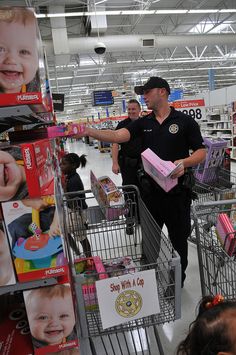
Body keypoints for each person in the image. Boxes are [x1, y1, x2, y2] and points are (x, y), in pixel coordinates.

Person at [74, 76, 206, 287]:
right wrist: (89, 131)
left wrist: (185, 162)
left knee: (179, 242)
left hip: (177, 195)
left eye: (147, 91)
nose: (143, 96)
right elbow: (117, 136)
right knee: (150, 242)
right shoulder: (143, 123)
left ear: (161, 92)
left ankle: (176, 283)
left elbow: (201, 151)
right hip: (150, 194)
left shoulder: (184, 122)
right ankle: (149, 280)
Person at [112, 99, 142, 234]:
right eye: (129, 109)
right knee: (129, 193)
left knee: (144, 192)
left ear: (139, 110)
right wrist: (115, 162)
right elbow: (115, 144)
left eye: (133, 109)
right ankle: (129, 220)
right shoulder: (122, 124)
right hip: (127, 165)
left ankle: (142, 219)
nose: (130, 111)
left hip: (143, 166)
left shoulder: (145, 123)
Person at [0, 6, 40, 94]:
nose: (11, 60)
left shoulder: (35, 93)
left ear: (37, 63)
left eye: (23, 52)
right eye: (0, 49)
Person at [60, 153, 91, 257]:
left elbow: (72, 203)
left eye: (64, 164)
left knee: (82, 238)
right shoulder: (72, 176)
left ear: (73, 166)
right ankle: (79, 253)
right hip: (75, 211)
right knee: (65, 231)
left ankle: (89, 258)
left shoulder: (73, 181)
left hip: (76, 212)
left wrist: (64, 189)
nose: (61, 166)